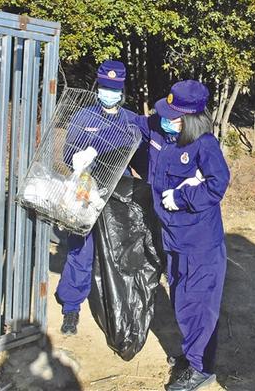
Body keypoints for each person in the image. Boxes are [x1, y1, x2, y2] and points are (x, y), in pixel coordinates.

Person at [132, 80, 230, 391]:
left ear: (190, 120)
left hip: (198, 241)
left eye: (172, 117)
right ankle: (192, 355)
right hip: (172, 237)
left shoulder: (204, 145)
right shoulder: (163, 133)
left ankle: (200, 369)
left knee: (197, 303)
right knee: (181, 297)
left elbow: (217, 184)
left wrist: (184, 196)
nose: (164, 119)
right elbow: (135, 123)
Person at [55, 60, 146, 335]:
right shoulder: (84, 117)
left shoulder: (131, 120)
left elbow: (141, 160)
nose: (109, 93)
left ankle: (120, 305)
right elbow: (69, 153)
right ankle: (71, 307)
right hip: (86, 190)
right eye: (105, 88)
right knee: (81, 249)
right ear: (98, 87)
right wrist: (81, 160)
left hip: (118, 194)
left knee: (121, 251)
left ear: (122, 90)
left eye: (114, 89)